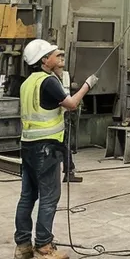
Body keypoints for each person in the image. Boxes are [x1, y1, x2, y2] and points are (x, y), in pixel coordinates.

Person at [13, 38, 98, 259]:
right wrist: (87, 86)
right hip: (46, 149)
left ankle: (22, 246)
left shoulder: (27, 83)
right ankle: (43, 246)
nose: (58, 57)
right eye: (54, 55)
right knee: (49, 198)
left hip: (28, 146)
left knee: (27, 197)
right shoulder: (48, 82)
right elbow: (70, 105)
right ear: (44, 60)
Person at [54, 50, 82, 184]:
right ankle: (69, 170)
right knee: (63, 144)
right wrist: (87, 86)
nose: (61, 65)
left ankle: (69, 170)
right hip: (54, 119)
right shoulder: (48, 80)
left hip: (63, 115)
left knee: (65, 144)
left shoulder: (64, 76)